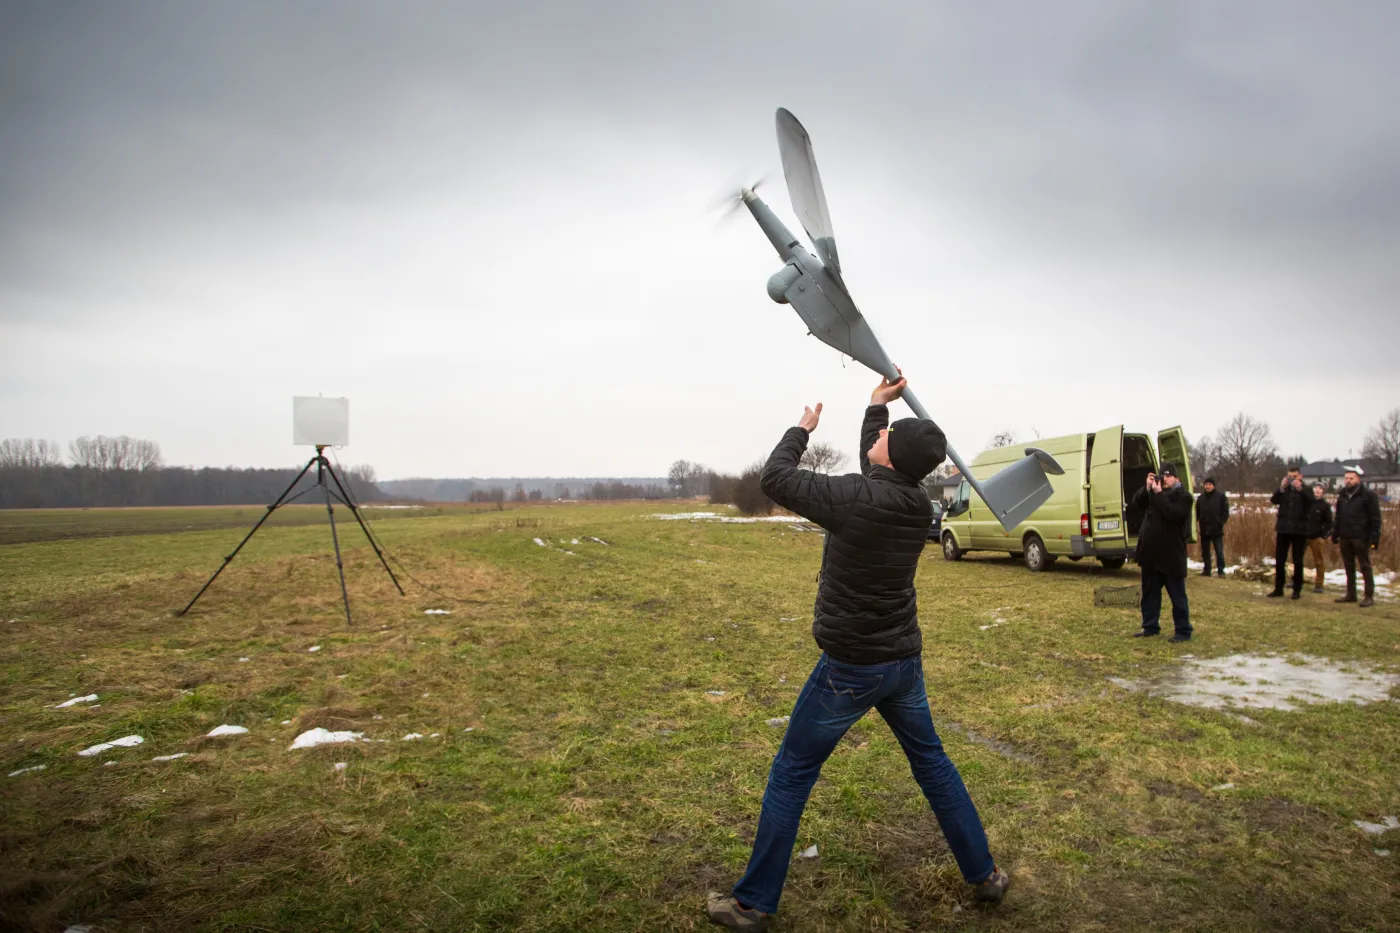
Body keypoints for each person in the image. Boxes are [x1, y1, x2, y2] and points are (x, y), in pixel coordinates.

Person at [705, 372, 1008, 931]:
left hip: (850, 669)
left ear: (890, 457)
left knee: (791, 773)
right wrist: (876, 407)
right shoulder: (913, 504)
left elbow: (776, 478)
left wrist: (802, 429)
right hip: (901, 665)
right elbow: (879, 471)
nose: (876, 439)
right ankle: (985, 874)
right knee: (933, 764)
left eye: (883, 436)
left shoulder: (853, 497)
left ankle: (751, 905)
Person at [1129, 463, 1193, 642]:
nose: (1164, 479)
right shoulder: (1154, 494)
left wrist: (1158, 494)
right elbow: (1137, 503)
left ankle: (1183, 630)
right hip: (1151, 554)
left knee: (1178, 597)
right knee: (1150, 594)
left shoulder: (1184, 497)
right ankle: (1150, 626)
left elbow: (1173, 514)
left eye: (1168, 476)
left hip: (1172, 555)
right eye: (1161, 476)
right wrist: (1146, 488)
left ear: (1177, 479)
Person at [1331, 466, 1382, 608]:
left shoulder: (1368, 495)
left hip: (1361, 536)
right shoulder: (1342, 495)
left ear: (1358, 479)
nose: (1347, 481)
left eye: (1351, 478)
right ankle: (1351, 594)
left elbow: (1375, 518)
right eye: (1346, 478)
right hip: (1345, 535)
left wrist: (1374, 538)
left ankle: (1368, 595)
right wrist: (1335, 533)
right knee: (1348, 565)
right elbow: (1339, 516)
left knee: (1365, 566)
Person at [1268, 467, 1311, 600]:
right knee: (1280, 560)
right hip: (1283, 529)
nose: (1292, 479)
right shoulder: (1284, 490)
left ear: (1300, 477)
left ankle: (1297, 589)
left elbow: (1312, 501)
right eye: (1290, 476)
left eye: (1294, 476)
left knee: (1298, 560)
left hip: (1299, 530)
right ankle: (1278, 588)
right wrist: (1281, 488)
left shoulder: (1306, 489)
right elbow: (1274, 500)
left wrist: (1301, 490)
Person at [1195, 477, 1230, 577]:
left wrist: (1220, 522)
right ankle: (1207, 570)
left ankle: (1221, 570)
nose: (1208, 486)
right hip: (1204, 528)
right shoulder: (1201, 498)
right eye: (1206, 484)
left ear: (1213, 486)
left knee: (1219, 551)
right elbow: (1197, 513)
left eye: (1210, 484)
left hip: (1216, 529)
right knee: (1205, 551)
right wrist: (1195, 523)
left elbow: (1225, 512)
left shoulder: (1221, 497)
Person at [1305, 483, 1334, 593]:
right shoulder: (1307, 502)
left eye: (1320, 489)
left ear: (1323, 492)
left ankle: (1319, 584)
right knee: (1297, 559)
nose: (1317, 490)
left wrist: (1323, 535)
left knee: (1319, 562)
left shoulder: (1325, 505)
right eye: (1316, 488)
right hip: (1303, 536)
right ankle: (1295, 580)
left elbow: (1329, 523)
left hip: (1316, 538)